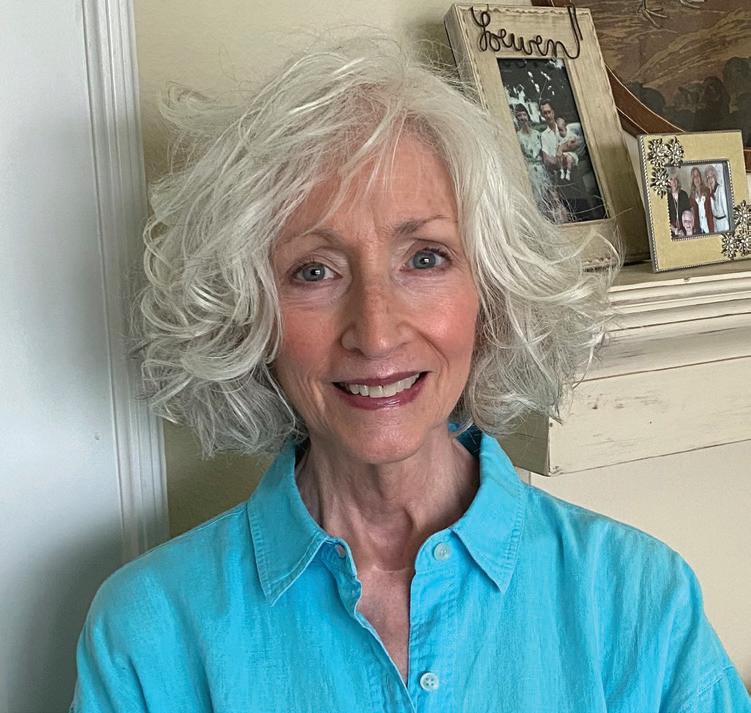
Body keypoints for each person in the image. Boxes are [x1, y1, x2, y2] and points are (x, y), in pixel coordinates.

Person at [70, 41, 751, 712]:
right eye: (314, 271)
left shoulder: (637, 598)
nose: (376, 332)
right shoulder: (151, 631)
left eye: (424, 259)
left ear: (490, 295)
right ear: (248, 315)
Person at [513, 103, 567, 222]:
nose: (522, 118)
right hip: (530, 170)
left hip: (543, 169)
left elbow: (545, 154)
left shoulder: (537, 134)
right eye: (519, 116)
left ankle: (558, 220)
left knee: (551, 195)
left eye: (524, 115)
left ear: (528, 116)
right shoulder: (518, 137)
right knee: (537, 198)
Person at [689, 165, 715, 234]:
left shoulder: (707, 190)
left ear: (700, 177)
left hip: (709, 227)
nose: (696, 178)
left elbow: (713, 209)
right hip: (699, 229)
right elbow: (692, 215)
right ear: (692, 180)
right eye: (694, 177)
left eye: (697, 175)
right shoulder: (691, 196)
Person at [555, 115, 582, 180]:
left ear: (564, 123)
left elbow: (574, 142)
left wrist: (569, 142)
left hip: (571, 154)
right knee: (560, 158)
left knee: (569, 159)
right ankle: (562, 172)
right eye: (557, 121)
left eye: (560, 121)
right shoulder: (557, 135)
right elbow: (558, 146)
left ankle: (568, 173)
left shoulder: (571, 131)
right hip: (564, 154)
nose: (559, 122)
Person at [705, 165, 729, 232]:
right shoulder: (710, 192)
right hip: (717, 223)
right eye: (708, 177)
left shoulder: (720, 189)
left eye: (711, 176)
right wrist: (710, 193)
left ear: (715, 177)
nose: (710, 179)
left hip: (724, 223)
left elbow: (726, 209)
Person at [667, 170, 691, 237]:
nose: (674, 182)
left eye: (675, 179)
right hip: (671, 231)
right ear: (668, 182)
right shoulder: (666, 197)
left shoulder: (684, 194)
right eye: (671, 179)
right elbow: (664, 218)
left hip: (685, 229)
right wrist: (675, 230)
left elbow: (688, 213)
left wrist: (686, 229)